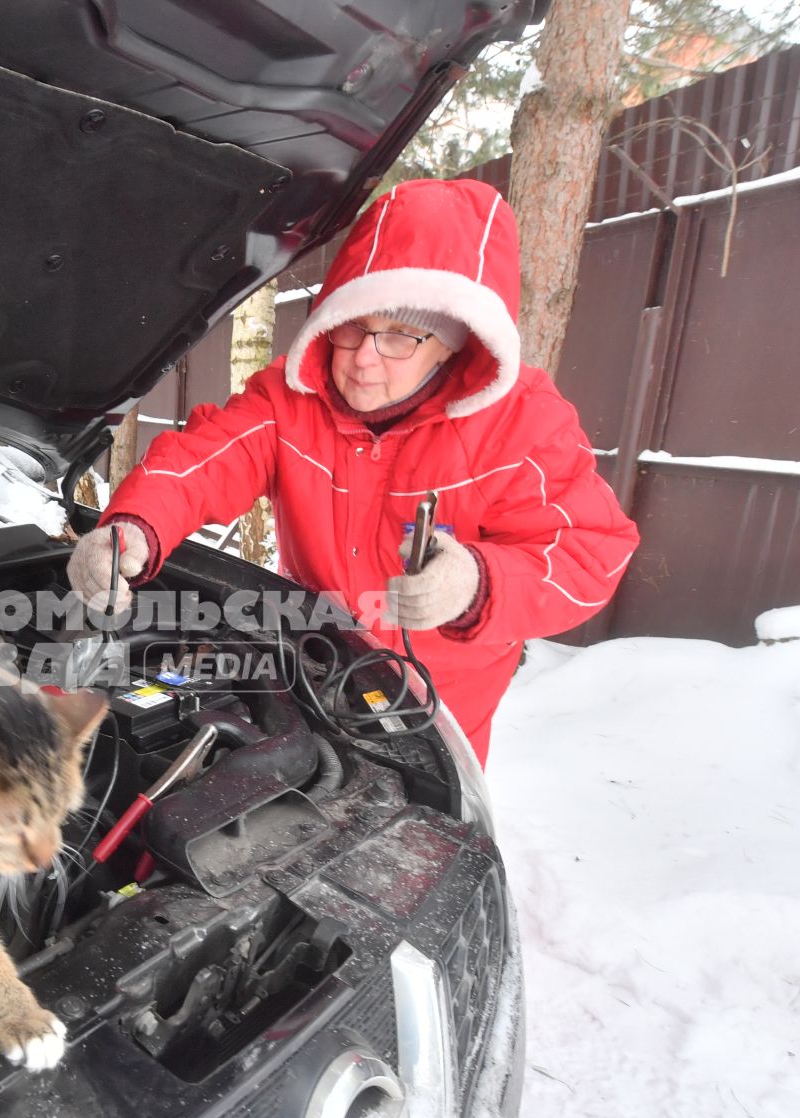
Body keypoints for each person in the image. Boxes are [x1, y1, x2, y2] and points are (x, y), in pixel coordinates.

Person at [67, 178, 639, 763]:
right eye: (353, 327)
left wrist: (478, 583)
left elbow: (589, 553)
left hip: (439, 721)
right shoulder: (289, 398)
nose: (365, 357)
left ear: (452, 343)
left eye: (401, 337)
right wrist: (134, 528)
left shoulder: (523, 426)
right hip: (316, 673)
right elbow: (204, 461)